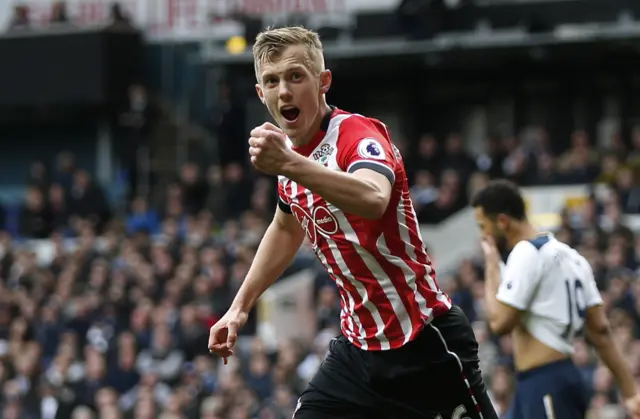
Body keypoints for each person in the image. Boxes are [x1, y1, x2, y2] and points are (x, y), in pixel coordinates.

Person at [208, 26, 498, 419]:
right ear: (261, 94)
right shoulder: (288, 154)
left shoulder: (356, 134)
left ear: (323, 81)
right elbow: (285, 226)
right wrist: (239, 307)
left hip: (422, 344)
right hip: (358, 352)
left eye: (296, 76)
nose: (284, 91)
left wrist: (290, 164)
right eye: (272, 82)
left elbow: (373, 198)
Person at [472, 179, 640, 419]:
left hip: (544, 382)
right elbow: (600, 330)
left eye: (483, 226)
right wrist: (631, 391)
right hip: (556, 379)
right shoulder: (574, 257)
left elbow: (500, 323)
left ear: (502, 222)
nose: (483, 236)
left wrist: (491, 264)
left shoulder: (525, 252)